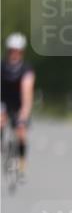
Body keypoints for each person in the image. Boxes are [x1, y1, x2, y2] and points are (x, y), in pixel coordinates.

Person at [1, 33, 36, 179]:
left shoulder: (26, 69)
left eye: (18, 51)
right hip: (3, 100)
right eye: (12, 50)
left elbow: (27, 92)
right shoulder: (2, 66)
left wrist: (24, 114)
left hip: (20, 102)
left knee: (21, 132)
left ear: (22, 52)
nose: (14, 54)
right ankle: (3, 147)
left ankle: (21, 163)